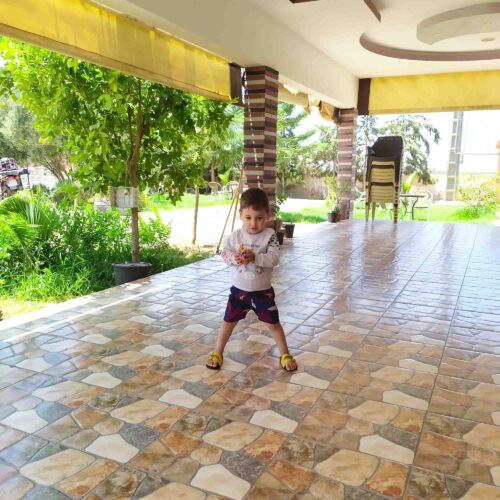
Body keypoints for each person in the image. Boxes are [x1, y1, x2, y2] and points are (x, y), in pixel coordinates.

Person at [206, 187, 297, 372]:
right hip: (238, 291)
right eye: (248, 217)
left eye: (259, 218)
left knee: (273, 324)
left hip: (262, 293)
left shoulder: (270, 236)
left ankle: (285, 354)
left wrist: (255, 257)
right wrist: (235, 258)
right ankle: (217, 352)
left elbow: (274, 259)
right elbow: (225, 254)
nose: (253, 223)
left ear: (268, 215)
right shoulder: (236, 236)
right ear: (240, 214)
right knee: (228, 322)